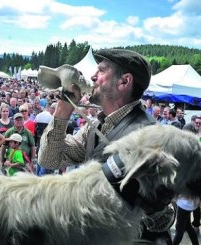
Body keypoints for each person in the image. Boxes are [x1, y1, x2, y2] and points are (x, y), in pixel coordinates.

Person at [38, 49, 174, 244]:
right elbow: (49, 159)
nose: (93, 76)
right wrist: (63, 109)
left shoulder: (151, 136)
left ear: (124, 82)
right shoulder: (96, 126)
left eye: (101, 71)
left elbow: (160, 217)